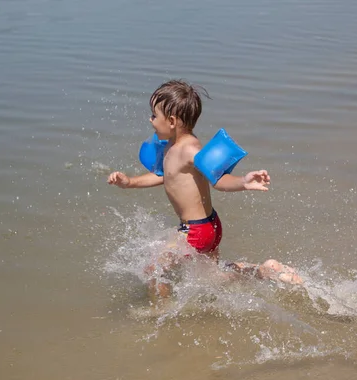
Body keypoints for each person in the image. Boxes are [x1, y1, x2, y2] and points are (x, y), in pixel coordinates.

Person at [107, 80, 302, 298]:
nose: (150, 119)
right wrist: (130, 182)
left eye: (154, 115)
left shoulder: (190, 149)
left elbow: (217, 179)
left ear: (171, 121)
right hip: (209, 225)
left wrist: (243, 182)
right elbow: (165, 175)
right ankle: (264, 271)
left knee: (153, 269)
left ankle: (162, 309)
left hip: (196, 230)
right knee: (212, 278)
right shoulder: (171, 144)